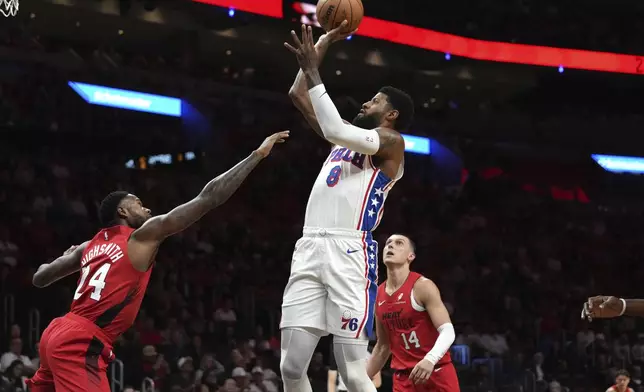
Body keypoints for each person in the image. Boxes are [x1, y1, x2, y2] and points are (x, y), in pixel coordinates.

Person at [26, 131, 290, 392]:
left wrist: (64, 256)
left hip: (56, 332)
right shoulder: (140, 238)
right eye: (139, 204)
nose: (148, 209)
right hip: (82, 339)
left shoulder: (87, 247)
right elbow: (208, 198)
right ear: (123, 211)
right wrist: (256, 155)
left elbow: (40, 278)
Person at [280, 21, 414, 392]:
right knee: (291, 367)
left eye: (376, 100)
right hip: (309, 247)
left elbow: (336, 128)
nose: (367, 102)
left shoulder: (391, 142)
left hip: (349, 250)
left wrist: (313, 69)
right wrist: (324, 41)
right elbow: (297, 93)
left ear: (391, 115)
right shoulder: (342, 140)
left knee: (353, 371)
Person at [366, 234, 460, 392]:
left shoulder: (422, 286)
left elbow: (448, 330)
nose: (390, 246)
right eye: (388, 243)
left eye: (399, 243)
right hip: (404, 380)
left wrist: (430, 359)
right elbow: (383, 347)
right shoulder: (378, 295)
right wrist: (358, 381)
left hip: (436, 371)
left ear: (411, 256)